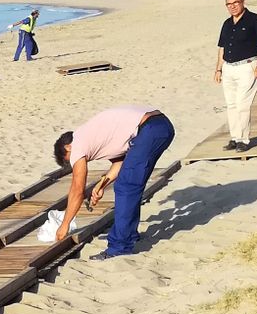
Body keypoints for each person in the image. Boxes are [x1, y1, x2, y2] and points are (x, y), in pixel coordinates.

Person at [52, 106, 175, 258]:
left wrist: (64, 225)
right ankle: (129, 235)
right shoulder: (93, 135)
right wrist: (102, 184)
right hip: (160, 126)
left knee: (126, 186)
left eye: (70, 160)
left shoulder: (77, 144)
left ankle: (120, 247)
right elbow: (120, 163)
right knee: (129, 182)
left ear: (67, 147)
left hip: (150, 129)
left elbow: (77, 189)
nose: (75, 162)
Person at [213, 0, 257, 151]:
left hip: (248, 66)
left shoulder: (255, 20)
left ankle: (243, 140)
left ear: (243, 2)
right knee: (231, 104)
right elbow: (222, 48)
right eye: (229, 4)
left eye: (235, 3)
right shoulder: (227, 24)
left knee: (242, 104)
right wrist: (218, 69)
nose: (232, 7)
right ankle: (235, 137)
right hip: (228, 68)